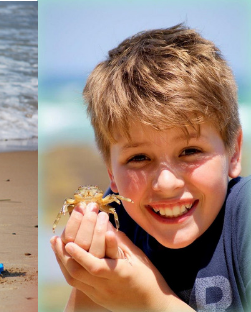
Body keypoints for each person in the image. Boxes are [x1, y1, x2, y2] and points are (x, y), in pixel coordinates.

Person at [50, 24, 248, 311]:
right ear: (111, 174)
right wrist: (90, 283)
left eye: (190, 151)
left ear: (234, 153)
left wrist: (149, 301)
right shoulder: (116, 222)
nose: (166, 183)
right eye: (139, 158)